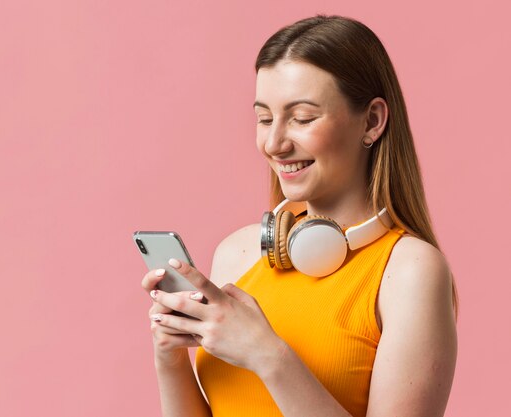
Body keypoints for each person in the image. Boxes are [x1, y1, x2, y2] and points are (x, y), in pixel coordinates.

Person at [141, 14, 457, 417]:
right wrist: (169, 357)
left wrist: (268, 355)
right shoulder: (238, 254)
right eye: (265, 118)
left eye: (303, 118)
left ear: (372, 121)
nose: (274, 143)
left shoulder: (411, 270)